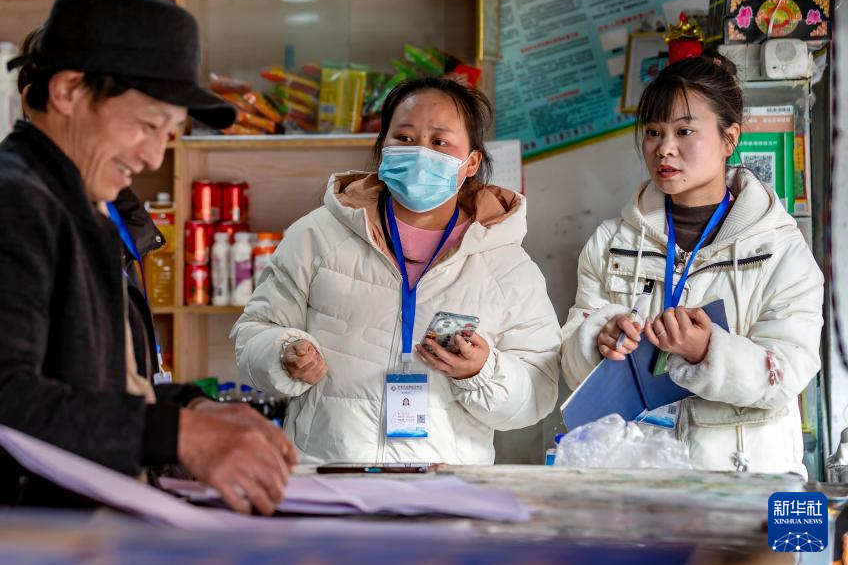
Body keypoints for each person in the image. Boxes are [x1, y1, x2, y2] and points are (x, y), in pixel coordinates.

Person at [0, 0, 296, 531]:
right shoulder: (3, 207)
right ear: (68, 91)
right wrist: (179, 435)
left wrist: (191, 409)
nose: (153, 156)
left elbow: (90, 384)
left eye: (169, 134)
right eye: (147, 125)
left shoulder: (84, 208)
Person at [232, 77, 560, 465]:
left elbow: (537, 393)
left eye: (440, 142)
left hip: (447, 486)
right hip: (330, 475)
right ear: (383, 147)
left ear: (471, 162)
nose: (420, 152)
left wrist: (481, 372)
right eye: (404, 138)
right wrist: (282, 353)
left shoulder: (507, 266)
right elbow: (253, 332)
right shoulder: (317, 236)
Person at [559, 54, 823, 475]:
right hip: (638, 477)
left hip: (745, 480)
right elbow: (571, 363)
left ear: (729, 139)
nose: (664, 148)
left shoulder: (780, 249)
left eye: (684, 131)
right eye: (653, 132)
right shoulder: (612, 244)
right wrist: (597, 338)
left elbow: (789, 371)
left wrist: (707, 351)